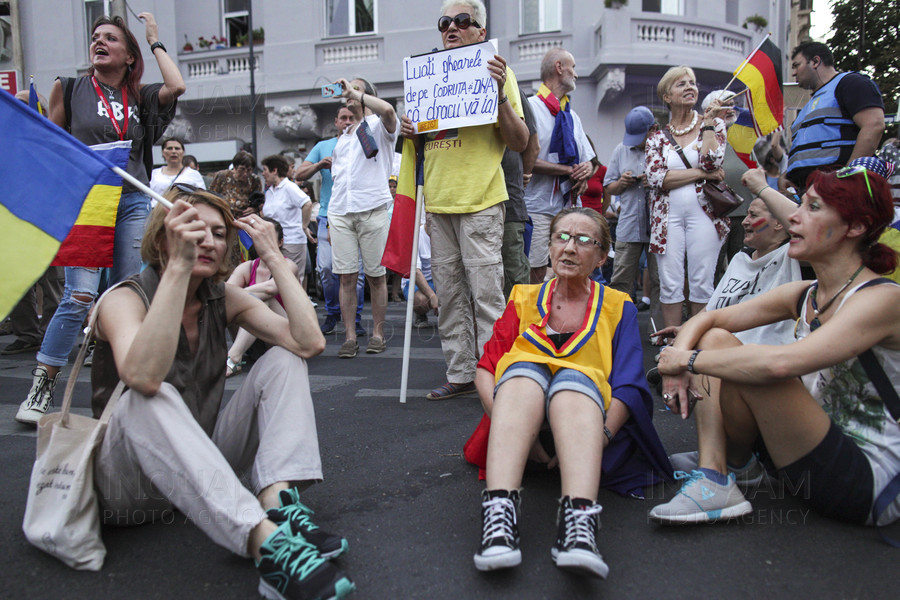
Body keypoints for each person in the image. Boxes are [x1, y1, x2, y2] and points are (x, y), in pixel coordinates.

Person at [89, 187, 354, 599]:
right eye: (194, 229)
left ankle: (277, 503)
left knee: (284, 361)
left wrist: (273, 258)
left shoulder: (222, 298)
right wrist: (178, 267)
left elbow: (308, 343)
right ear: (164, 238)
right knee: (148, 395)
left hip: (197, 474)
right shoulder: (123, 299)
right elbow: (142, 376)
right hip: (128, 488)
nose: (209, 241)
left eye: (217, 232)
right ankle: (269, 546)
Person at [650, 165, 900, 531]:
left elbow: (782, 363)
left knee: (752, 362)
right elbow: (708, 319)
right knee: (716, 338)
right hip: (805, 452)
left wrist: (685, 358)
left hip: (865, 481)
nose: (794, 216)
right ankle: (724, 468)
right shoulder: (807, 294)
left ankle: (720, 472)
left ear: (856, 227)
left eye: (812, 208)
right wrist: (679, 363)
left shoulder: (881, 300)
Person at [470, 207, 671, 578]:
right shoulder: (523, 297)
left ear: (602, 256)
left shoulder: (618, 306)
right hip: (515, 416)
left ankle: (579, 522)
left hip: (585, 421)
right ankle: (499, 515)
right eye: (561, 237)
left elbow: (629, 385)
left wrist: (603, 436)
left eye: (583, 240)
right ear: (548, 246)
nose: (569, 248)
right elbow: (485, 369)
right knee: (520, 374)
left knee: (573, 382)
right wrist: (513, 430)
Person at [16, 12, 184, 425]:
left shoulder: (141, 97)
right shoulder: (69, 88)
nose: (99, 42)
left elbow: (177, 85)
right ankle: (42, 386)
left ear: (129, 56)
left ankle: (124, 385)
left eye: (110, 38)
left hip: (130, 202)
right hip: (88, 202)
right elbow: (51, 145)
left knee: (126, 296)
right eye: (95, 37)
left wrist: (154, 39)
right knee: (80, 296)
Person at [399, 0, 529, 400]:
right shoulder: (426, 78)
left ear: (480, 32)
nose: (451, 28)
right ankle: (460, 372)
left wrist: (499, 93)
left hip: (481, 200)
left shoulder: (497, 72)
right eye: (444, 23)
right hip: (438, 203)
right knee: (451, 295)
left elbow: (520, 141)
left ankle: (494, 373)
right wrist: (410, 130)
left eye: (461, 21)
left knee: (487, 293)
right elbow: (422, 146)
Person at [651, 168, 804, 484]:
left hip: (767, 372)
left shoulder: (796, 258)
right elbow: (715, 310)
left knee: (706, 351)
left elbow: (805, 225)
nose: (744, 222)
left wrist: (761, 187)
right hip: (727, 360)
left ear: (780, 221)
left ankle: (733, 464)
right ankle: (716, 454)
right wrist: (683, 331)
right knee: (701, 346)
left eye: (754, 214)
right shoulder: (740, 260)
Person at [645, 66, 730, 330]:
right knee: (670, 281)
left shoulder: (714, 125)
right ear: (667, 96)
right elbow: (657, 178)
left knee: (701, 280)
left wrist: (706, 124)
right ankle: (670, 343)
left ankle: (697, 343)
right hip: (665, 218)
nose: (690, 87)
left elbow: (711, 159)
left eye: (692, 83)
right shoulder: (657, 136)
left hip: (705, 213)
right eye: (681, 84)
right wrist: (700, 174)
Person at [327, 76, 397, 358]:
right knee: (346, 278)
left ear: (367, 95)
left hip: (372, 209)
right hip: (341, 212)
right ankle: (350, 337)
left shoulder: (379, 127)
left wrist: (359, 96)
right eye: (346, 90)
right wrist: (332, 218)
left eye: (355, 89)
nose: (347, 94)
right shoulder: (343, 137)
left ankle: (378, 334)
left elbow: (390, 111)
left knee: (376, 277)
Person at [525, 47, 596, 284]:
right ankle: (531, 318)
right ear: (559, 68)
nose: (575, 74)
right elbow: (526, 160)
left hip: (566, 207)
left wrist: (585, 173)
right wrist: (569, 171)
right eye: (572, 67)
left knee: (565, 269)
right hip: (535, 206)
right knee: (534, 270)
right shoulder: (531, 107)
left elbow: (588, 160)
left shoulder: (571, 115)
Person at [2, 89, 64, 356]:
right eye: (15, 103)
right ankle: (27, 333)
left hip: (49, 219)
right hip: (18, 221)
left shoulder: (54, 137)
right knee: (15, 278)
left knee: (52, 282)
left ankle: (53, 336)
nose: (20, 107)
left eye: (25, 103)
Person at [294, 107, 366, 335]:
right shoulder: (323, 146)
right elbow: (298, 175)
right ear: (335, 122)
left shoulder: (364, 142)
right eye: (343, 118)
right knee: (325, 268)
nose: (347, 121)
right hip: (328, 215)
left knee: (358, 274)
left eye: (351, 118)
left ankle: (354, 318)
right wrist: (318, 165)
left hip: (357, 214)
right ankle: (334, 312)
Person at [785, 41, 885, 191]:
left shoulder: (851, 83)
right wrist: (787, 176)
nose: (793, 73)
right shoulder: (810, 105)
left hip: (836, 193)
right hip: (808, 193)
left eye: (796, 65)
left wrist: (847, 177)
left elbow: (874, 125)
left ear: (815, 62)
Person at [225, 217, 300, 376]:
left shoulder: (289, 266)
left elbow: (269, 289)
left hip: (286, 336)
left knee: (263, 298)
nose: (263, 241)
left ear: (280, 242)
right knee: (229, 303)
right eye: (259, 236)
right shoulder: (247, 267)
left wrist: (242, 297)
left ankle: (233, 357)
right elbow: (226, 295)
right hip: (255, 339)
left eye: (268, 237)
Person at [605, 106, 658, 305]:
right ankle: (620, 329)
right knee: (620, 281)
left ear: (654, 129)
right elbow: (609, 187)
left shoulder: (665, 149)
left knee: (660, 281)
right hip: (628, 224)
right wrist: (622, 183)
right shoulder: (621, 149)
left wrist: (656, 181)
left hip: (658, 227)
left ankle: (658, 333)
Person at [500, 85, 539, 298]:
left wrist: (521, 176)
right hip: (466, 202)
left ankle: (518, 330)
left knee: (514, 279)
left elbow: (532, 144)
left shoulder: (509, 83)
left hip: (509, 203)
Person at [261, 154, 313, 289]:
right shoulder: (269, 191)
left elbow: (307, 203)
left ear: (274, 170)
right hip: (275, 242)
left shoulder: (289, 187)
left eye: (265, 170)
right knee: (279, 281)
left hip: (292, 241)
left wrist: (304, 226)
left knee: (293, 282)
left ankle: (299, 310)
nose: (263, 173)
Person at [210, 150, 262, 215]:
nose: (245, 174)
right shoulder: (222, 176)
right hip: (226, 214)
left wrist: (255, 208)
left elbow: (260, 201)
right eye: (242, 169)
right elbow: (211, 196)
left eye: (249, 170)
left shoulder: (254, 180)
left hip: (245, 216)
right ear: (235, 167)